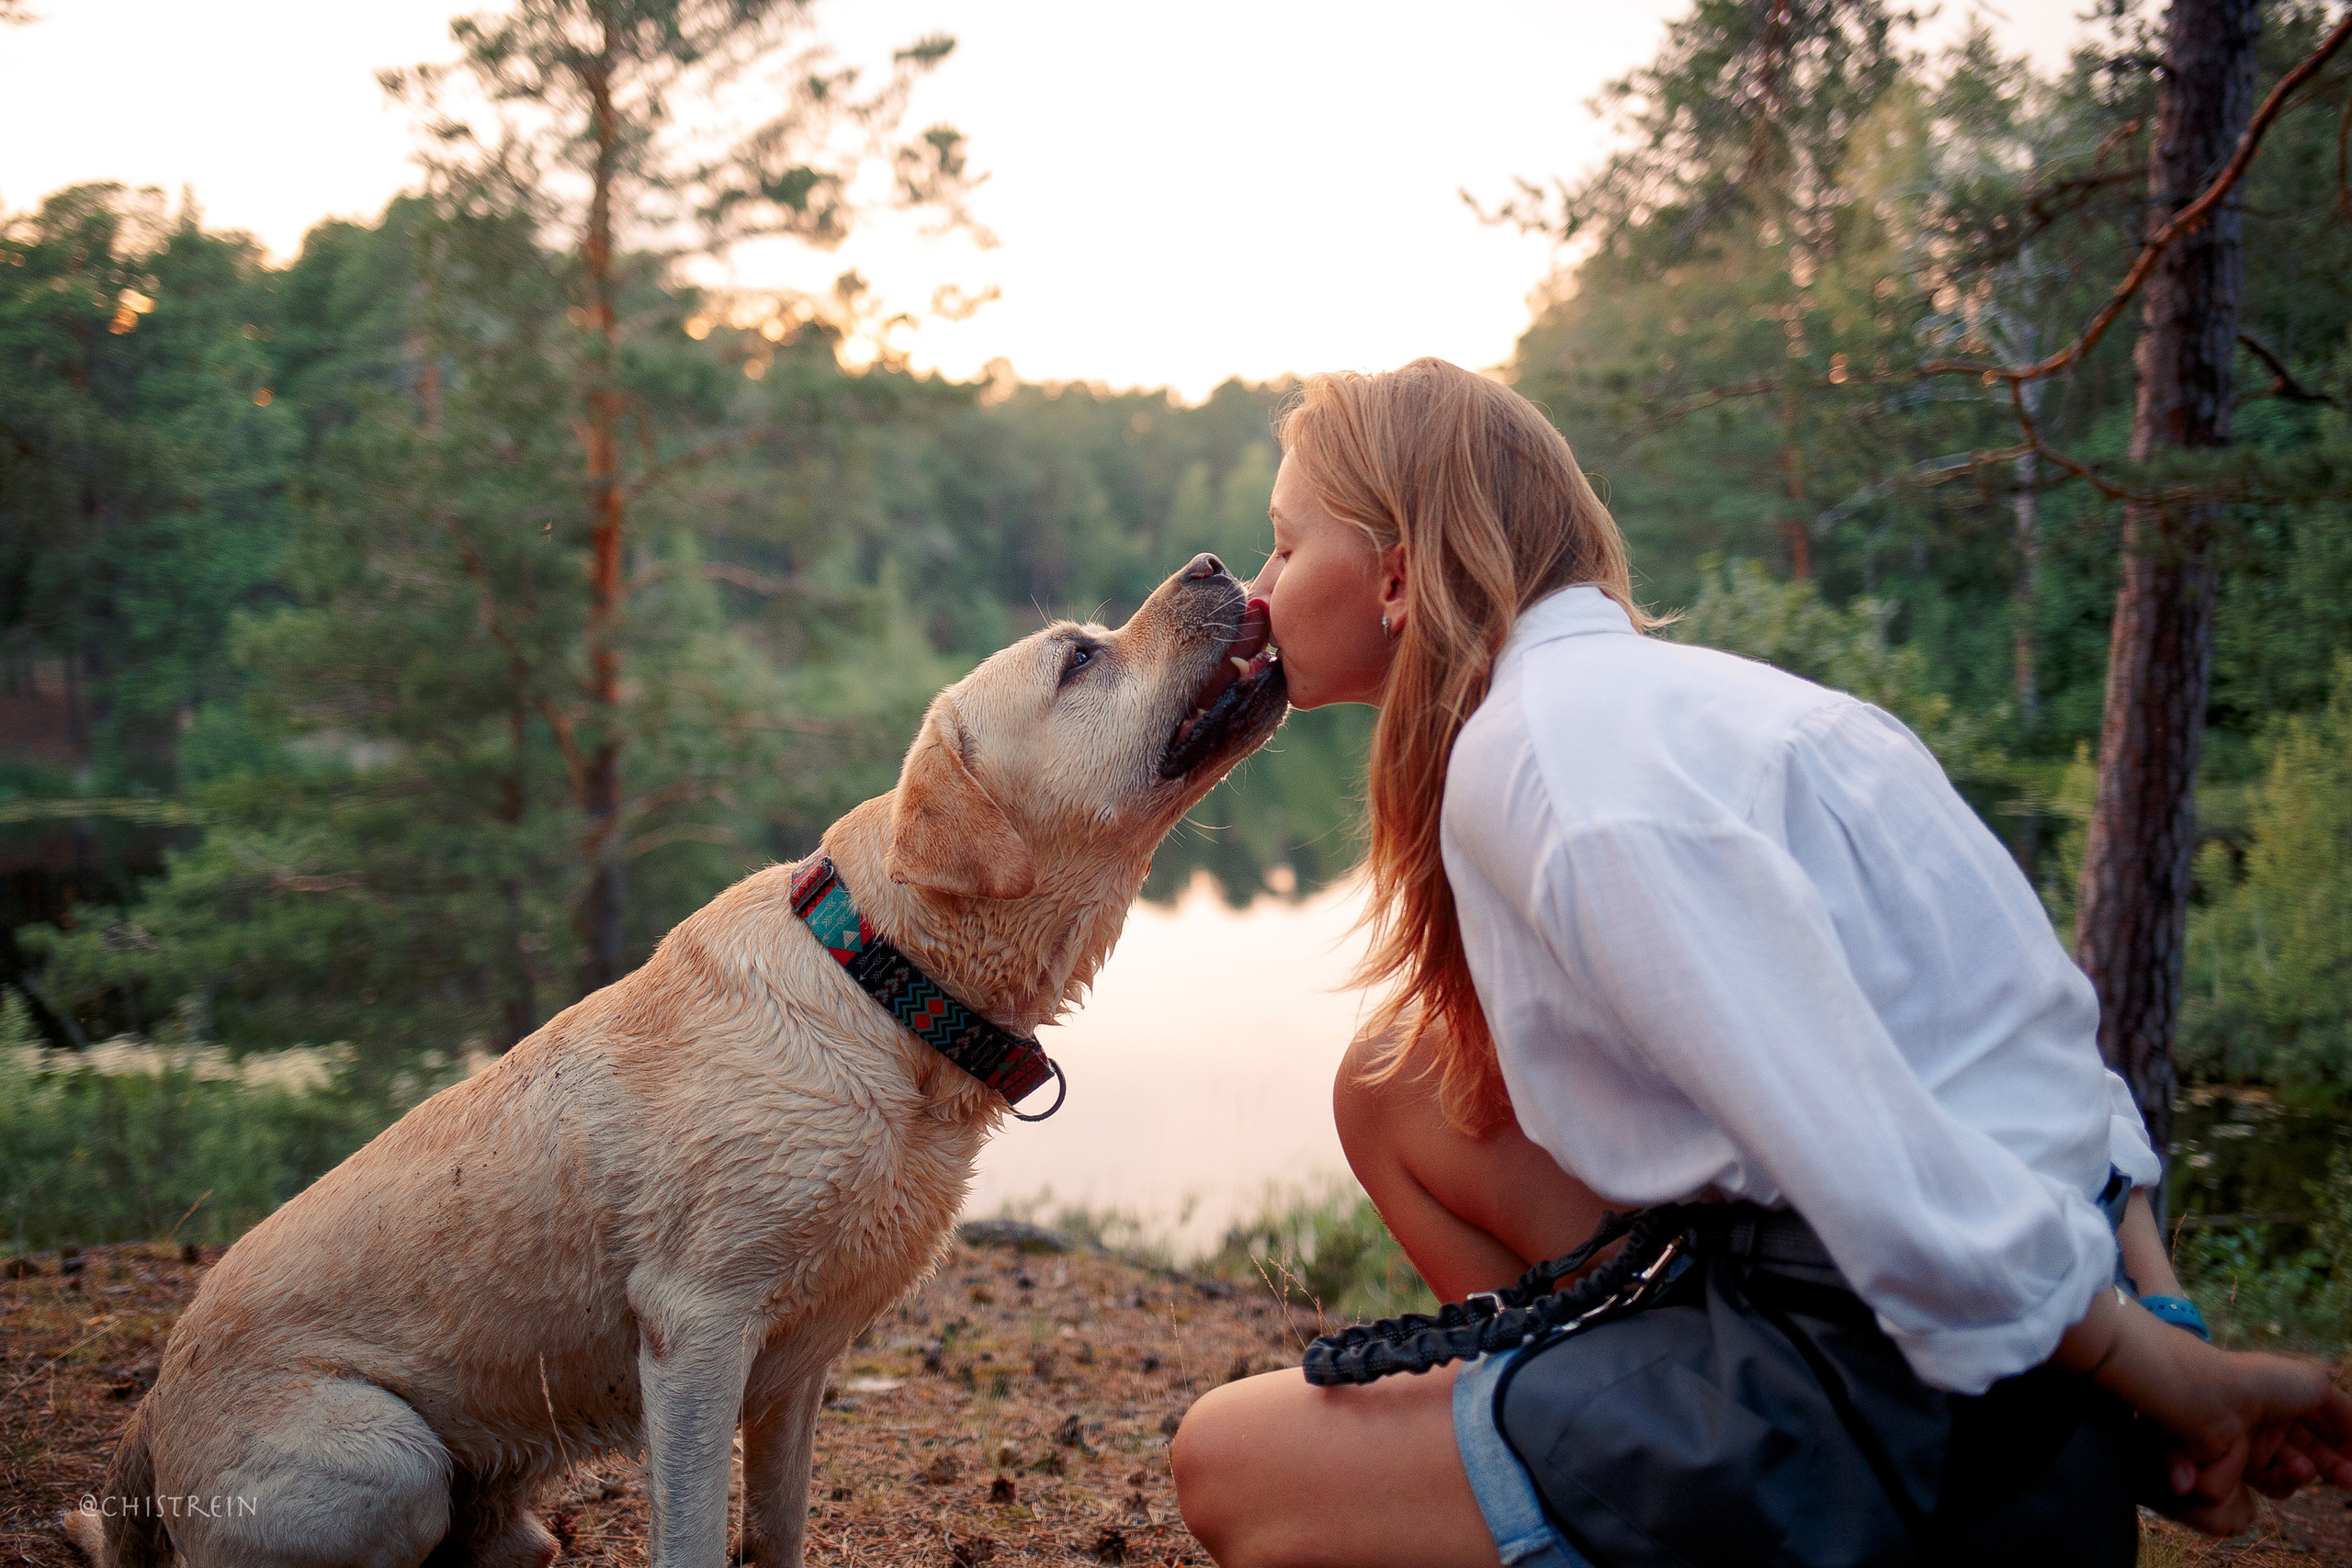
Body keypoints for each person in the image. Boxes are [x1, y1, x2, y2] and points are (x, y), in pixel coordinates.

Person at [1168, 357, 2352, 1568]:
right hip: (1967, 1361)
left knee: (1230, 1461)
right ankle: (1608, 1451)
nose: (1256, 595)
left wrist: (2160, 1372)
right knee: (1398, 1083)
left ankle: (1738, 1510)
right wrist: (2158, 1315)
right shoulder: (1730, 708)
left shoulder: (1552, 769)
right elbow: (2045, 1063)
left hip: (1885, 1406)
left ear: (1400, 574)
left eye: (1281, 545)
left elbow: (1868, 1150)